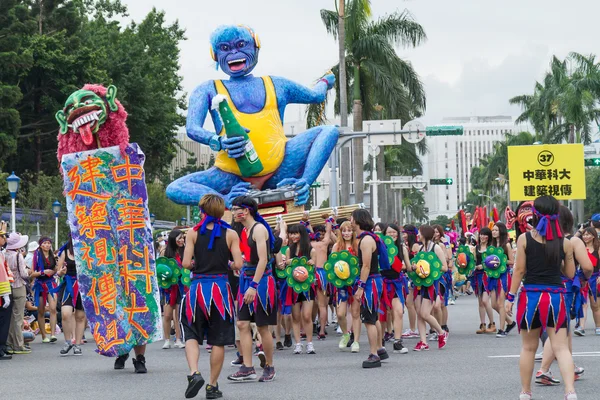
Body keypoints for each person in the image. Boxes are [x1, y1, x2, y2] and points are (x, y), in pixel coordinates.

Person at [505, 195, 577, 400]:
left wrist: (510, 297)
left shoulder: (524, 239)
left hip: (531, 298)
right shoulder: (565, 243)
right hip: (556, 297)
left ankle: (526, 392)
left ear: (534, 213)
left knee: (528, 347)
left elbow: (519, 271)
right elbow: (570, 274)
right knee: (561, 348)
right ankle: (570, 390)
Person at [180, 194, 243, 399]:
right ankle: (212, 386)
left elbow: (186, 263)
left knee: (191, 333)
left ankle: (194, 373)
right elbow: (238, 265)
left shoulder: (193, 233)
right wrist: (229, 265)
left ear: (202, 211)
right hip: (221, 291)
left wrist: (197, 263)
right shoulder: (231, 233)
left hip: (198, 289)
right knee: (218, 340)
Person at [536, 205, 592, 385]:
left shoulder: (540, 239)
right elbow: (588, 267)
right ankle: (543, 369)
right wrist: (583, 279)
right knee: (559, 329)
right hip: (565, 289)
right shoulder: (573, 241)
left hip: (543, 288)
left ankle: (571, 366)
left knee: (563, 328)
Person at [228, 196, 278, 382]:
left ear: (245, 211)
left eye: (235, 209)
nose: (233, 213)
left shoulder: (258, 229)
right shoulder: (245, 230)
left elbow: (264, 260)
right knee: (242, 323)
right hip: (246, 279)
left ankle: (270, 366)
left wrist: (254, 286)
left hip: (261, 282)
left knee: (263, 327)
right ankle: (247, 367)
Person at [350, 208, 389, 368]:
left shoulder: (366, 240)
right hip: (373, 281)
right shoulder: (367, 238)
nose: (350, 221)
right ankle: (379, 348)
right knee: (374, 318)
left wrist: (360, 287)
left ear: (358, 220)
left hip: (370, 282)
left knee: (369, 320)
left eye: (352, 218)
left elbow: (366, 266)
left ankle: (373, 354)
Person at [409, 225, 449, 352]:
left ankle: (441, 332)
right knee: (420, 314)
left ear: (424, 234)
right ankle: (423, 341)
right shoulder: (420, 248)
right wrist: (416, 267)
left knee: (425, 313)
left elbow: (444, 267)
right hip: (419, 283)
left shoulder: (436, 248)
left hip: (431, 285)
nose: (417, 235)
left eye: (419, 233)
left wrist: (429, 268)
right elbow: (418, 265)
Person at [284, 223, 316, 355]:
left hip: (307, 287)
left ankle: (309, 343)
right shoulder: (288, 250)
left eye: (295, 233)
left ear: (301, 234)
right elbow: (285, 268)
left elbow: (314, 267)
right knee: (296, 316)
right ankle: (298, 343)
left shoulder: (310, 250)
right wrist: (286, 263)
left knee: (307, 316)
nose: (293, 236)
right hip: (293, 287)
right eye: (291, 233)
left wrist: (312, 262)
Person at [380, 223, 411, 354]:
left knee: (398, 311)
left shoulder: (402, 248)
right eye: (389, 232)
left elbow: (408, 267)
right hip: (382, 283)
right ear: (384, 234)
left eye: (394, 232)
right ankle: (379, 341)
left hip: (397, 283)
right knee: (382, 314)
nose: (392, 234)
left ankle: (397, 342)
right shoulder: (379, 248)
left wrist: (411, 267)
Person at [54, 234, 86, 356]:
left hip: (82, 286)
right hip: (68, 285)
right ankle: (68, 342)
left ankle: (77, 344)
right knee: (66, 314)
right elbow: (57, 272)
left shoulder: (86, 251)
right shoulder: (65, 252)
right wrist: (61, 272)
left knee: (80, 316)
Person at [331, 221, 360, 351]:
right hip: (341, 284)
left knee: (355, 312)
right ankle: (346, 334)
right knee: (340, 313)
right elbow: (331, 264)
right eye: (344, 230)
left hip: (355, 283)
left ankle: (356, 342)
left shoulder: (358, 245)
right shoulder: (336, 246)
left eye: (349, 230)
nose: (346, 233)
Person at [5, 232, 31, 355]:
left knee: (8, 317)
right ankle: (19, 345)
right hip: (19, 286)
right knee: (18, 317)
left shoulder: (3, 254)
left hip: (6, 287)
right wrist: (29, 271)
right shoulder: (18, 255)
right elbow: (24, 273)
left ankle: (8, 343)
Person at [490, 222, 517, 337]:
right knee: (493, 304)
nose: (494, 232)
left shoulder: (506, 245)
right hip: (492, 276)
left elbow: (512, 262)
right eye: (493, 230)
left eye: (496, 230)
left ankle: (501, 329)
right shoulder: (491, 246)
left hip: (503, 276)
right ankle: (510, 322)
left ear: (501, 231)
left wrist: (499, 261)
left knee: (500, 304)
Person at [30, 236, 58, 343]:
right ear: (41, 245)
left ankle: (52, 334)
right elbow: (32, 273)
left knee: (53, 308)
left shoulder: (52, 255)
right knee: (41, 310)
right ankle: (43, 336)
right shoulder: (36, 256)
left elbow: (55, 269)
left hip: (51, 283)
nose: (47, 245)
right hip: (40, 284)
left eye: (49, 243)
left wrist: (54, 270)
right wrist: (43, 272)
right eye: (45, 243)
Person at [161, 229, 186, 349]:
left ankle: (178, 339)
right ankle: (166, 340)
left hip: (181, 285)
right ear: (173, 239)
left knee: (178, 314)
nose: (182, 240)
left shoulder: (185, 251)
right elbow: (159, 269)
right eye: (179, 238)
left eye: (183, 238)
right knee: (167, 315)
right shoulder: (165, 252)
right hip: (168, 287)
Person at [471, 228, 496, 334]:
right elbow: (473, 261)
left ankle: (492, 324)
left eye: (485, 235)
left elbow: (496, 262)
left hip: (488, 276)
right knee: (480, 302)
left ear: (488, 237)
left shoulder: (492, 248)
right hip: (478, 276)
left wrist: (484, 266)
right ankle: (483, 325)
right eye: (481, 234)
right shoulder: (476, 248)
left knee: (485, 300)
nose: (482, 236)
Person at [0, 226, 14, 360]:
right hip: (1, 293)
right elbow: (2, 275)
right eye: (3, 236)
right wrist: (5, 294)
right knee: (3, 322)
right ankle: (1, 349)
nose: (5, 239)